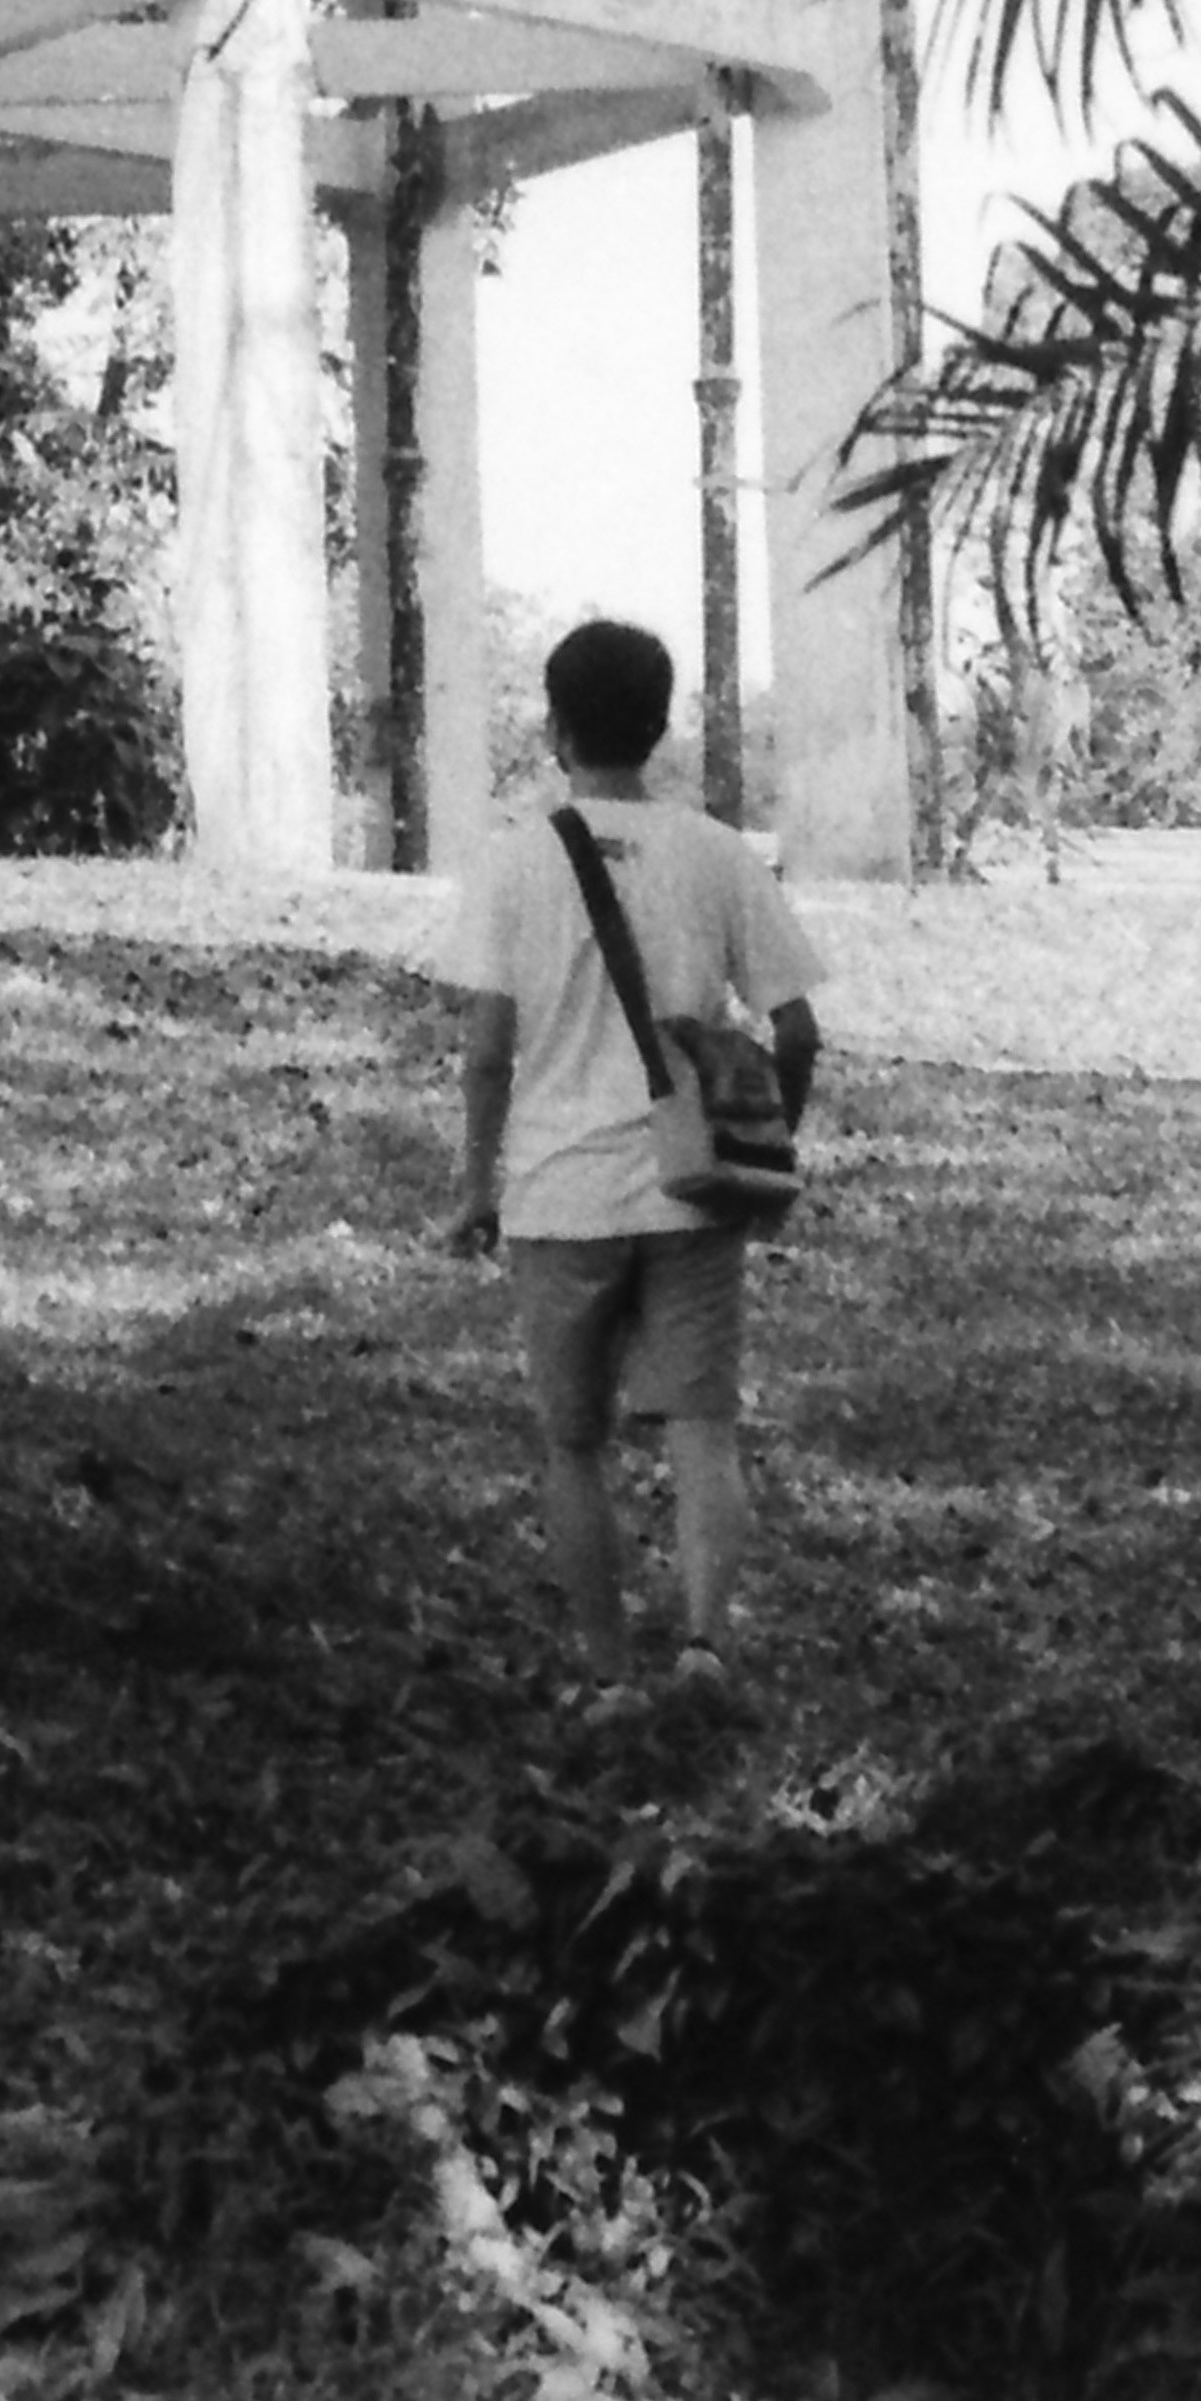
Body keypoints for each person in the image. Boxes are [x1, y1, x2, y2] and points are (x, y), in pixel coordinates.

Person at [439, 613, 824, 1706]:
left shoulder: (513, 863)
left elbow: (486, 1051)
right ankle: (702, 1646)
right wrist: (767, 1151)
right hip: (690, 1187)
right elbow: (796, 1029)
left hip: (556, 1194)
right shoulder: (716, 854)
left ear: (553, 726)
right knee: (703, 1431)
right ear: (660, 727)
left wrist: (474, 1186)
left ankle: (608, 1673)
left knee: (574, 1447)